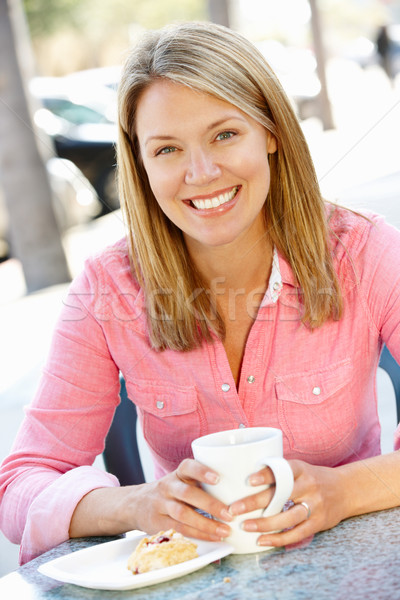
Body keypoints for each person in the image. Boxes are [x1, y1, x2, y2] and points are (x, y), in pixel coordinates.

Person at [1, 21, 400, 565]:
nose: (202, 172)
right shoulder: (109, 287)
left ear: (271, 131)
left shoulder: (365, 252)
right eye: (167, 149)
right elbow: (21, 483)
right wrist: (138, 504)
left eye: (225, 134)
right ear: (141, 163)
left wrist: (344, 491)